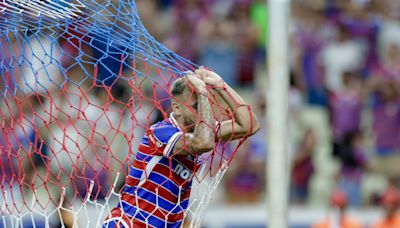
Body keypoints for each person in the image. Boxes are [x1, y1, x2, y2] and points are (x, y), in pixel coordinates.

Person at [103, 68, 261, 227]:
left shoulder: (202, 131)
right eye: (196, 105)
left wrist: (221, 85)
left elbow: (250, 125)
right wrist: (203, 93)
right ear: (177, 108)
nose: (202, 111)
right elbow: (203, 143)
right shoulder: (161, 132)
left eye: (204, 104)